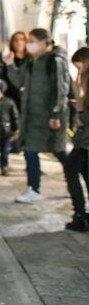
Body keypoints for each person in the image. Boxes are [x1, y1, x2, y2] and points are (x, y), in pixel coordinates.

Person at [16, 28, 71, 203]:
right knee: (30, 151)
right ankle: (33, 188)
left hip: (50, 117)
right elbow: (20, 82)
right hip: (33, 116)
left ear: (44, 42)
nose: (28, 45)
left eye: (32, 41)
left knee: (60, 152)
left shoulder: (55, 61)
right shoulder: (32, 61)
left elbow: (61, 89)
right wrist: (10, 66)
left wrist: (55, 114)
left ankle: (75, 182)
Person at [63, 47, 89, 231]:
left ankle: (80, 215)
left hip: (86, 141)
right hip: (84, 139)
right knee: (85, 174)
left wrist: (80, 111)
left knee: (71, 171)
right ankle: (81, 215)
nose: (78, 72)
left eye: (79, 67)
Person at [0, 31, 30, 113]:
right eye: (16, 40)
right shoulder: (6, 59)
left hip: (24, 100)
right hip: (8, 97)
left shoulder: (29, 60)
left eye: (22, 39)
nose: (19, 42)